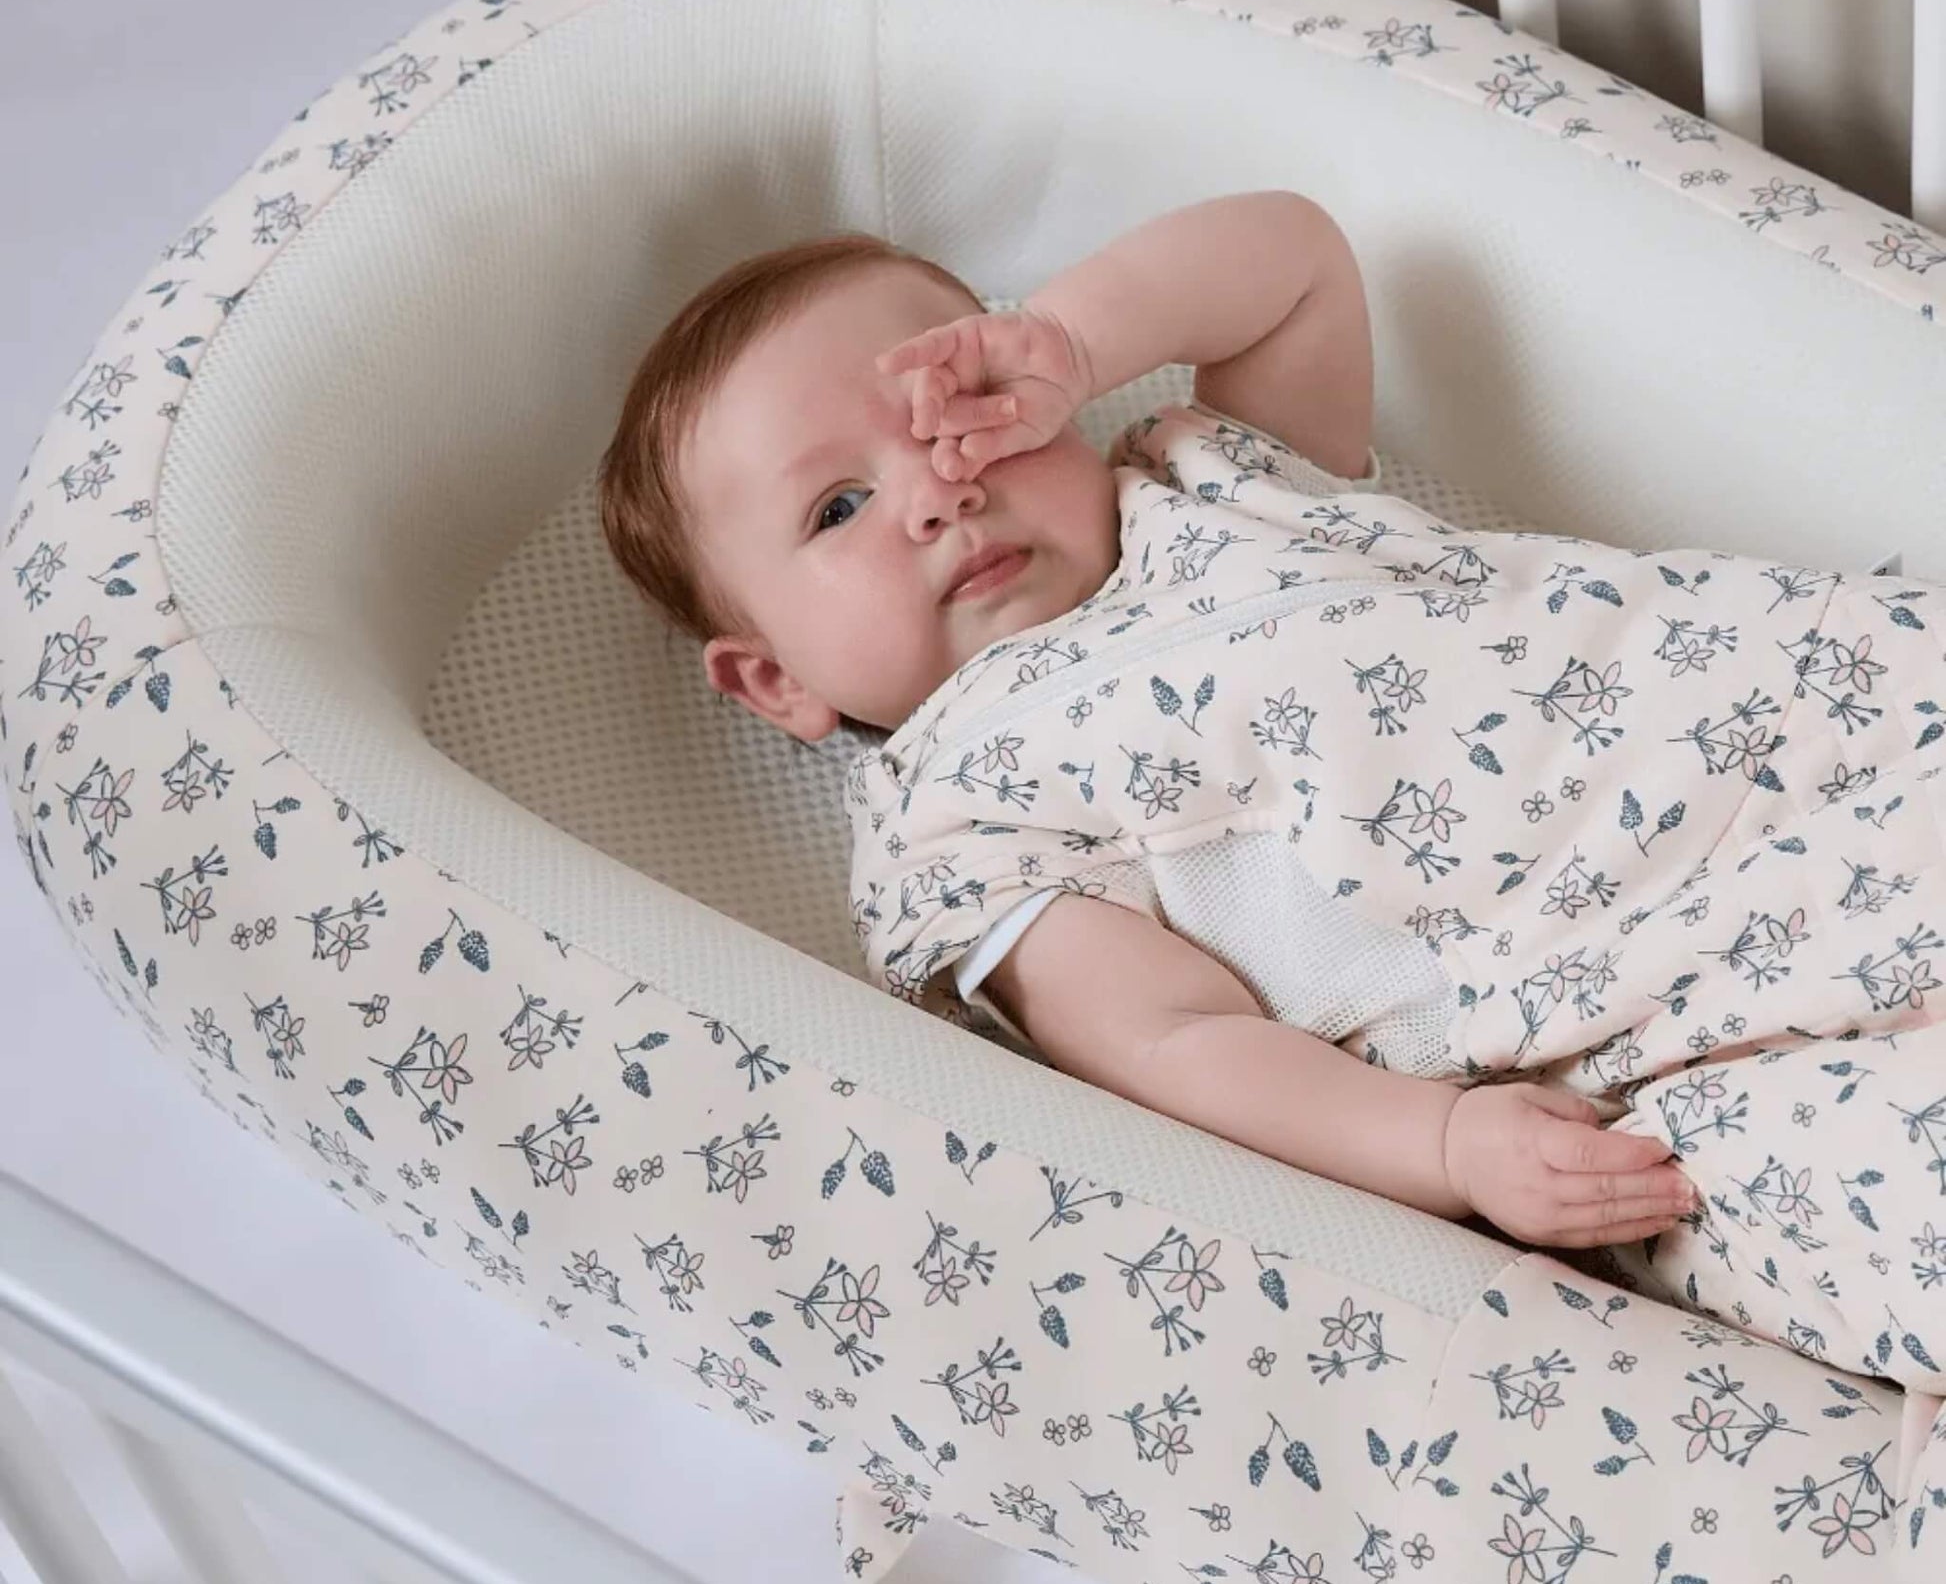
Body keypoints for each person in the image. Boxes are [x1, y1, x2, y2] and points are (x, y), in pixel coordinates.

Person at [596, 191, 1946, 1333]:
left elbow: (1292, 264)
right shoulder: (961, 818)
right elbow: (1172, 1044)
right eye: (839, 506)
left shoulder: (1211, 479)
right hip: (1633, 1024)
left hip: (1810, 716)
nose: (938, 486)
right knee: (1855, 1182)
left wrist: (1071, 336)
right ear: (770, 677)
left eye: (960, 412)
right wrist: (1438, 1147)